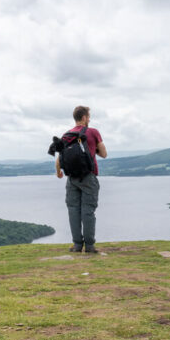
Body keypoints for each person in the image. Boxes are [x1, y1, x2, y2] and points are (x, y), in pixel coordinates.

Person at [55, 105, 107, 253]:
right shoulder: (92, 132)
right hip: (88, 177)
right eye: (89, 116)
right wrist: (92, 148)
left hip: (71, 178)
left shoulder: (66, 135)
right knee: (88, 211)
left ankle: (77, 245)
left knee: (73, 210)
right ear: (84, 117)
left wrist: (58, 172)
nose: (89, 119)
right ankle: (89, 246)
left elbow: (59, 159)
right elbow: (104, 153)